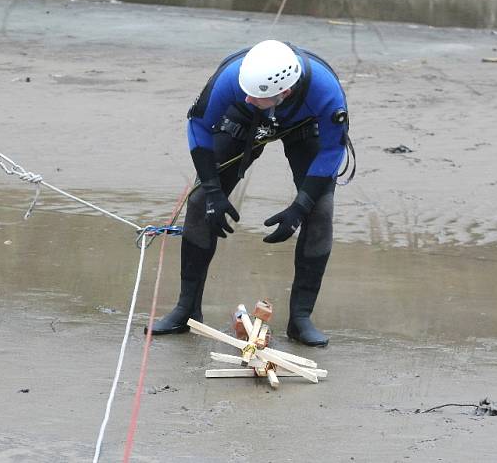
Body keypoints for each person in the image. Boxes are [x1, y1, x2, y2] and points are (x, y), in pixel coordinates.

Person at [146, 40, 351, 346]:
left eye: (254, 94)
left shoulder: (326, 91)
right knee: (200, 203)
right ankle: (187, 310)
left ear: (285, 92)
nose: (245, 95)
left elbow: (333, 149)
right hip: (245, 118)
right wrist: (215, 193)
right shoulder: (233, 80)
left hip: (304, 124)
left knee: (320, 210)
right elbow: (199, 126)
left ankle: (301, 319)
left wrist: (300, 207)